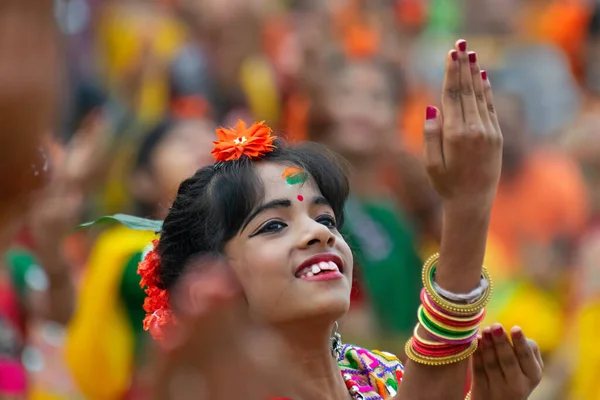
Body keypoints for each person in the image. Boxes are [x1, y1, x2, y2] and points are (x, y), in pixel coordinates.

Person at [114, 40, 543, 399]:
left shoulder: (380, 373)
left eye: (325, 218)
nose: (317, 232)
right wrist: (468, 208)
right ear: (208, 280)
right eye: (274, 226)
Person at [65, 115, 217, 400]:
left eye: (212, 140)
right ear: (143, 180)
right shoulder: (122, 248)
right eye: (185, 141)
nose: (204, 148)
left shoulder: (245, 239)